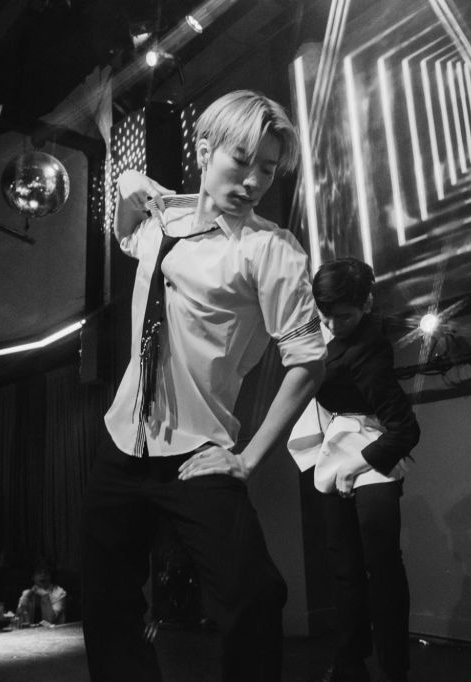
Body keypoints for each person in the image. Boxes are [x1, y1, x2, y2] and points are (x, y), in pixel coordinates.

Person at [81, 89, 326, 682]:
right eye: (241, 161)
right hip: (123, 441)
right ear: (204, 149)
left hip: (198, 450)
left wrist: (247, 458)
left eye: (267, 169)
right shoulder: (163, 219)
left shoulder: (271, 250)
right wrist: (126, 192)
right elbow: (127, 237)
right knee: (106, 598)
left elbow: (308, 362)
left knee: (254, 595)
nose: (253, 181)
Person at [296, 258, 420, 682]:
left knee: (382, 568)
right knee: (345, 568)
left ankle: (395, 669)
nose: (333, 324)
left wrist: (356, 465)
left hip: (371, 454)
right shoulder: (320, 330)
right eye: (326, 314)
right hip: (337, 451)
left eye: (344, 316)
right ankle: (350, 661)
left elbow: (405, 430)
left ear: (367, 303)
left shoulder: (370, 347)